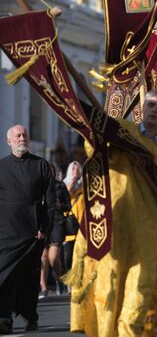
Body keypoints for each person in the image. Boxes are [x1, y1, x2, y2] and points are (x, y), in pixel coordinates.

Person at [67, 89, 157, 336]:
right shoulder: (122, 132)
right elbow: (91, 149)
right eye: (150, 105)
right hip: (113, 229)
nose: (154, 110)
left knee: (136, 300)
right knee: (108, 295)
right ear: (143, 107)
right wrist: (100, 132)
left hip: (147, 236)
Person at [0, 125, 56, 334]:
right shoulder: (1, 167)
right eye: (17, 135)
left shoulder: (41, 165)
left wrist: (44, 227)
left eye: (24, 135)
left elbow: (51, 202)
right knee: (4, 276)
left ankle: (30, 316)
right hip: (5, 233)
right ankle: (4, 317)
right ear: (9, 141)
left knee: (29, 279)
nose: (22, 138)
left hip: (32, 233)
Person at [39, 165, 69, 298]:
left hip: (57, 222)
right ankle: (43, 286)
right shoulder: (39, 185)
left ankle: (59, 277)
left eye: (51, 171)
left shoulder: (60, 185)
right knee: (43, 258)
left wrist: (60, 205)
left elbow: (69, 205)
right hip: (42, 223)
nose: (49, 173)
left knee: (52, 258)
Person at [62, 161, 83, 275]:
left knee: (80, 254)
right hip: (70, 224)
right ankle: (70, 279)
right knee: (69, 255)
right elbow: (68, 193)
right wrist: (74, 180)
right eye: (73, 169)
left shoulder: (84, 184)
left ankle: (78, 280)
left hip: (82, 223)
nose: (76, 171)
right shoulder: (65, 183)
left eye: (77, 168)